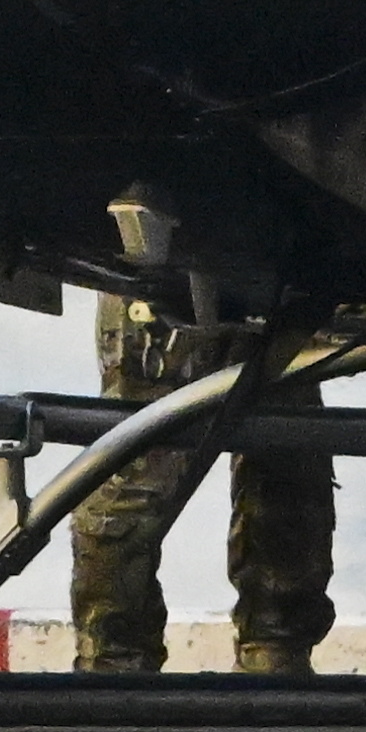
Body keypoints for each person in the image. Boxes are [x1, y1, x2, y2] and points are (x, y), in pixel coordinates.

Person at [58, 292, 330, 684]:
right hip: (169, 286)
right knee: (135, 468)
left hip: (296, 281)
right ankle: (115, 672)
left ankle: (274, 660)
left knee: (285, 458)